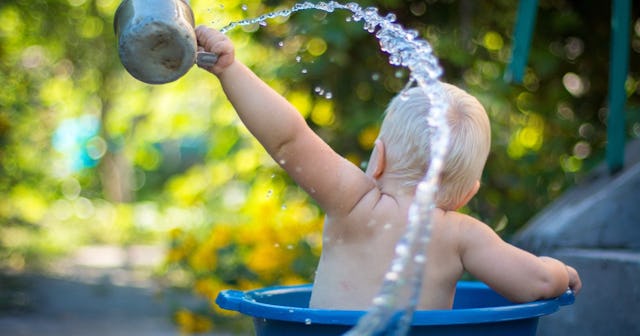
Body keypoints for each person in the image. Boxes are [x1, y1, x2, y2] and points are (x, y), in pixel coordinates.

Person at [194, 26, 582, 310]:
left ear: (376, 159)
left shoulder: (354, 203)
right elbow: (537, 282)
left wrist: (230, 68)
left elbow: (289, 139)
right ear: (468, 193)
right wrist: (561, 272)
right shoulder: (463, 235)